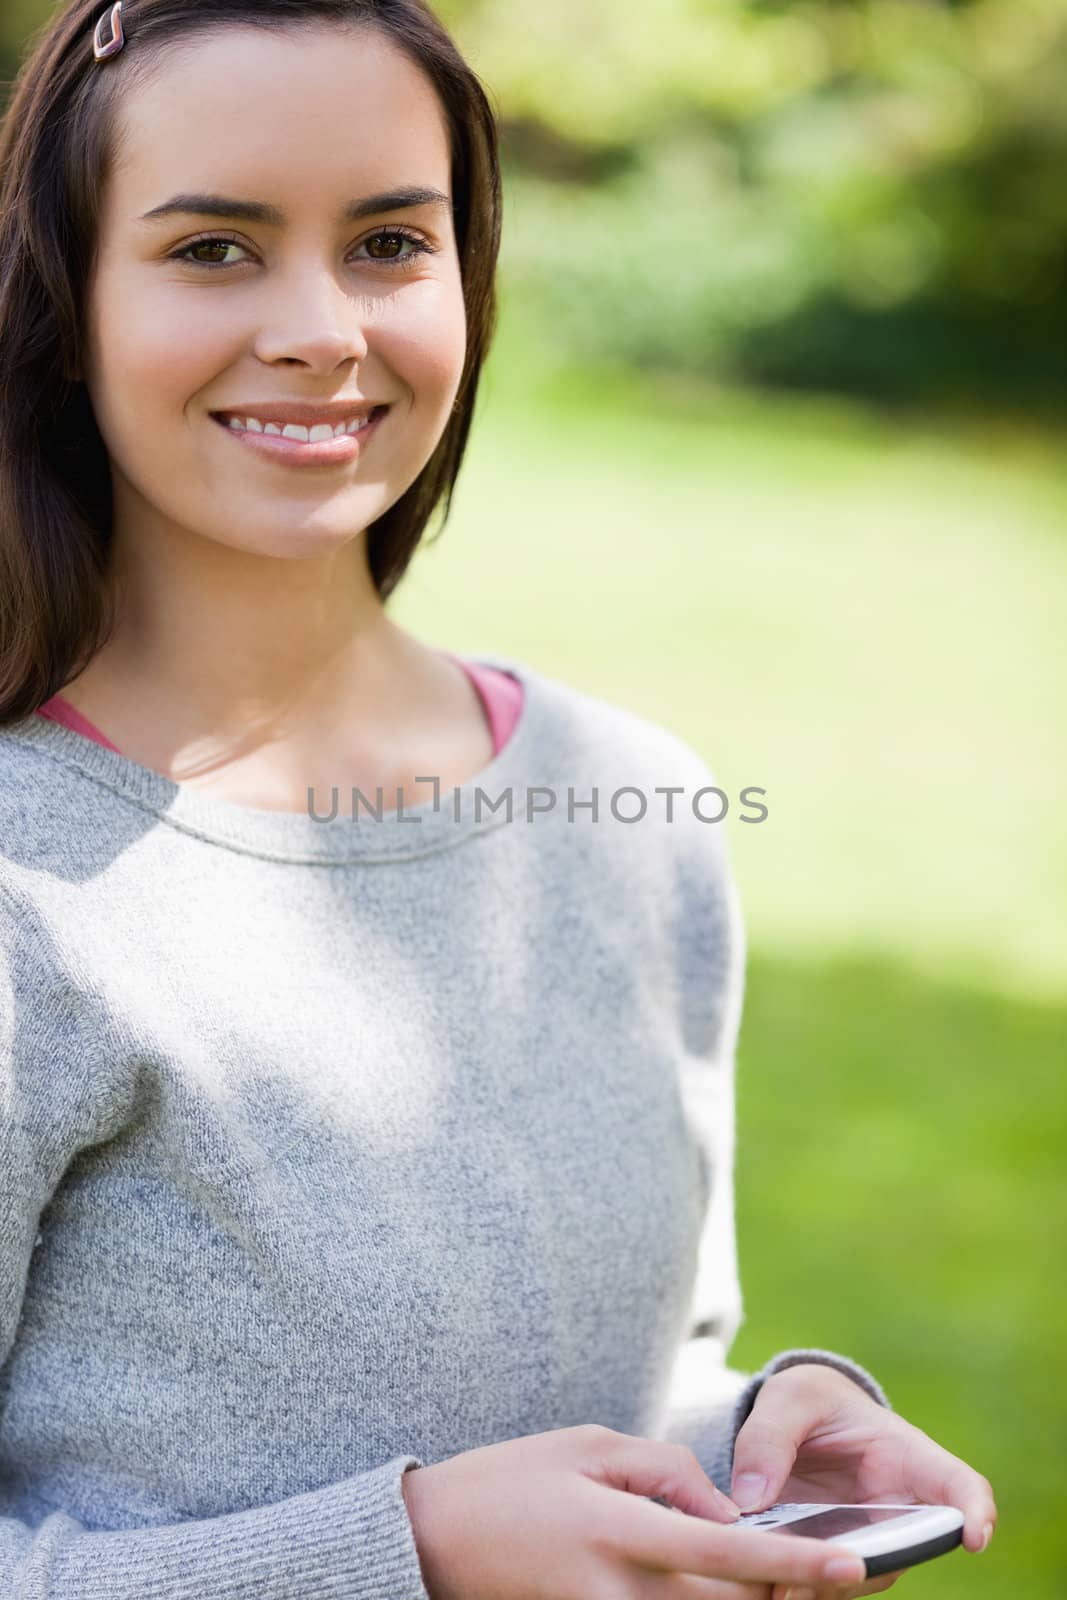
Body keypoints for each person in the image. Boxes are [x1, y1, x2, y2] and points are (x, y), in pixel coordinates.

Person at [0, 1, 997, 1596]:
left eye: (391, 240)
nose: (325, 326)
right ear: (65, 299)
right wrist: (405, 1553)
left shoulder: (630, 808)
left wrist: (748, 1435)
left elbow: (633, 1372)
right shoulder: (23, 884)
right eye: (212, 250)